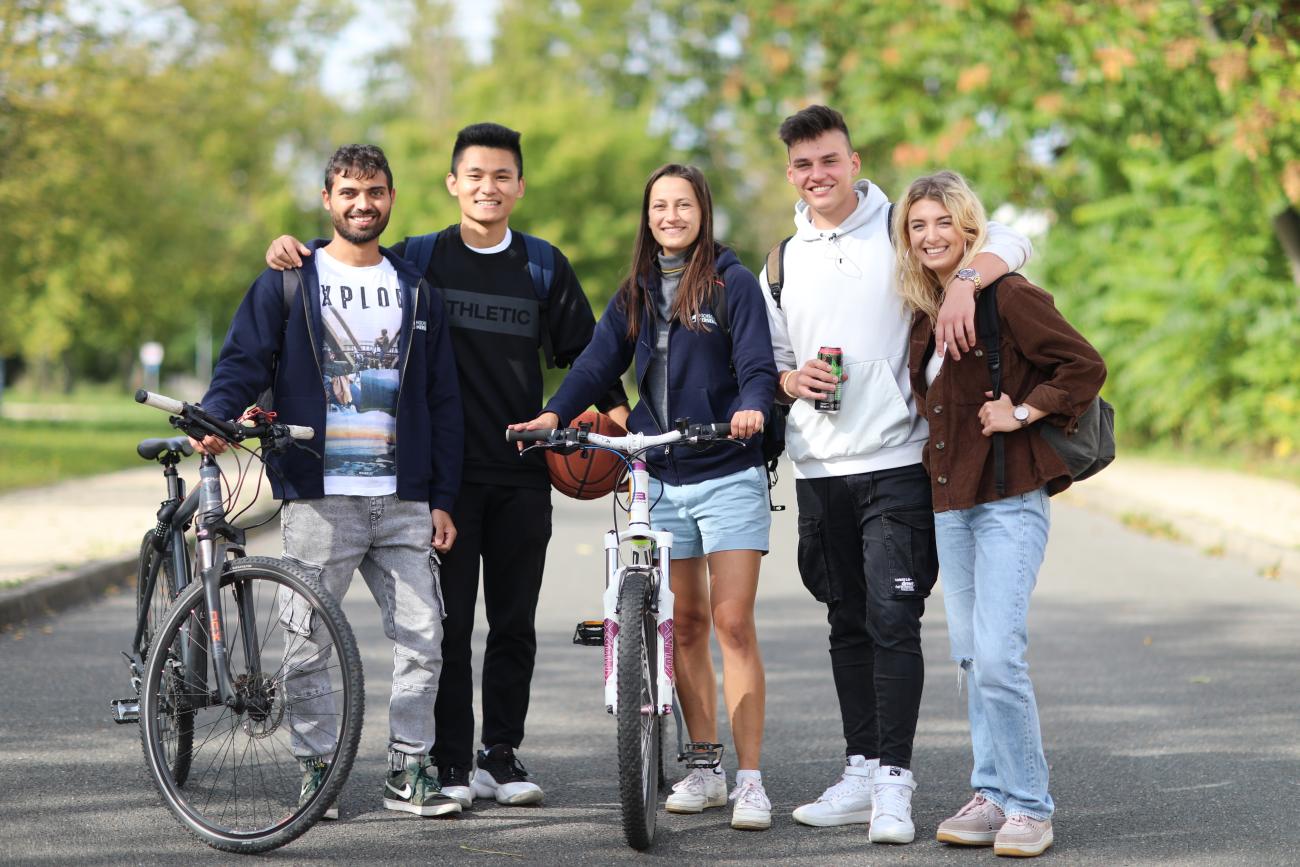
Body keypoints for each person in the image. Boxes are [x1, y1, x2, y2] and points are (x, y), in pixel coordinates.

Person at [265, 123, 629, 808]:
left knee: (515, 622)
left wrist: (615, 418)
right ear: (452, 184)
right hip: (446, 478)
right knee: (447, 624)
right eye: (475, 175)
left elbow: (592, 357)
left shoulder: (544, 266)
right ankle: (450, 760)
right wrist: (298, 248)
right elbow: (352, 255)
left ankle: (500, 753)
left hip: (523, 472)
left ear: (519, 186)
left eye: (501, 176)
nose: (488, 187)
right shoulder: (422, 259)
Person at [762, 105, 1033, 844]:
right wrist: (790, 382)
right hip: (820, 464)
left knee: (893, 619)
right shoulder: (782, 259)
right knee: (845, 619)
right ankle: (859, 769)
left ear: (855, 162)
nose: (818, 174)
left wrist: (962, 283)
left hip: (899, 463)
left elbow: (1009, 236)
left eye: (830, 160)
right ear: (792, 174)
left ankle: (895, 783)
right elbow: (774, 361)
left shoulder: (900, 226)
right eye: (804, 165)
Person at [194, 144, 464, 819]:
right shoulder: (291, 279)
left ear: (391, 198)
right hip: (318, 495)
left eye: (373, 191)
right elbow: (243, 360)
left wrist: (443, 498)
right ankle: (316, 770)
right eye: (348, 191)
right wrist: (218, 416)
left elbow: (441, 400)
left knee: (423, 636)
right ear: (327, 199)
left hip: (402, 499)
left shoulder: (415, 289)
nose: (361, 203)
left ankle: (410, 768)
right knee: (307, 639)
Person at [510, 164, 779, 831]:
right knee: (682, 625)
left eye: (682, 204)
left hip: (727, 470)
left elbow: (757, 369)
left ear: (702, 211)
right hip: (660, 474)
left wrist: (751, 408)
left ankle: (750, 779)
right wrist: (554, 414)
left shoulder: (732, 284)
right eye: (659, 205)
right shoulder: (634, 292)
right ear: (647, 215)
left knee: (732, 622)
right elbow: (599, 362)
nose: (670, 215)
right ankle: (705, 765)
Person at [899, 170, 1105, 858]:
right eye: (917, 224)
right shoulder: (927, 311)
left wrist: (1022, 410)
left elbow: (1083, 365)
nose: (930, 235)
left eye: (941, 222)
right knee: (968, 655)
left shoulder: (1007, 294)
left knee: (997, 656)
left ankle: (1030, 805)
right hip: (950, 504)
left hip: (1009, 501)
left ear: (968, 228)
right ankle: (990, 791)